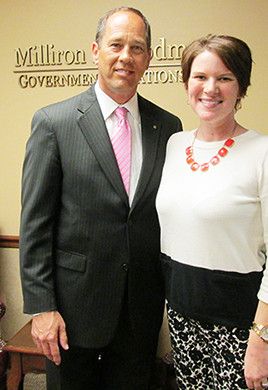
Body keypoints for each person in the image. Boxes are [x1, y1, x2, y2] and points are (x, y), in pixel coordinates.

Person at [19, 6, 182, 390]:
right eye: (116, 45)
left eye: (137, 48)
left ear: (148, 58)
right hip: (73, 314)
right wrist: (42, 308)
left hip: (139, 314)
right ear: (96, 51)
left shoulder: (168, 127)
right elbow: (35, 225)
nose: (126, 56)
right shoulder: (54, 123)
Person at [156, 35, 268, 390]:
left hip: (243, 328)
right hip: (182, 318)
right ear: (186, 82)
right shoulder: (175, 145)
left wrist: (261, 341)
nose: (210, 88)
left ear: (242, 88)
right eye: (200, 77)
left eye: (224, 78)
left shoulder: (267, 153)